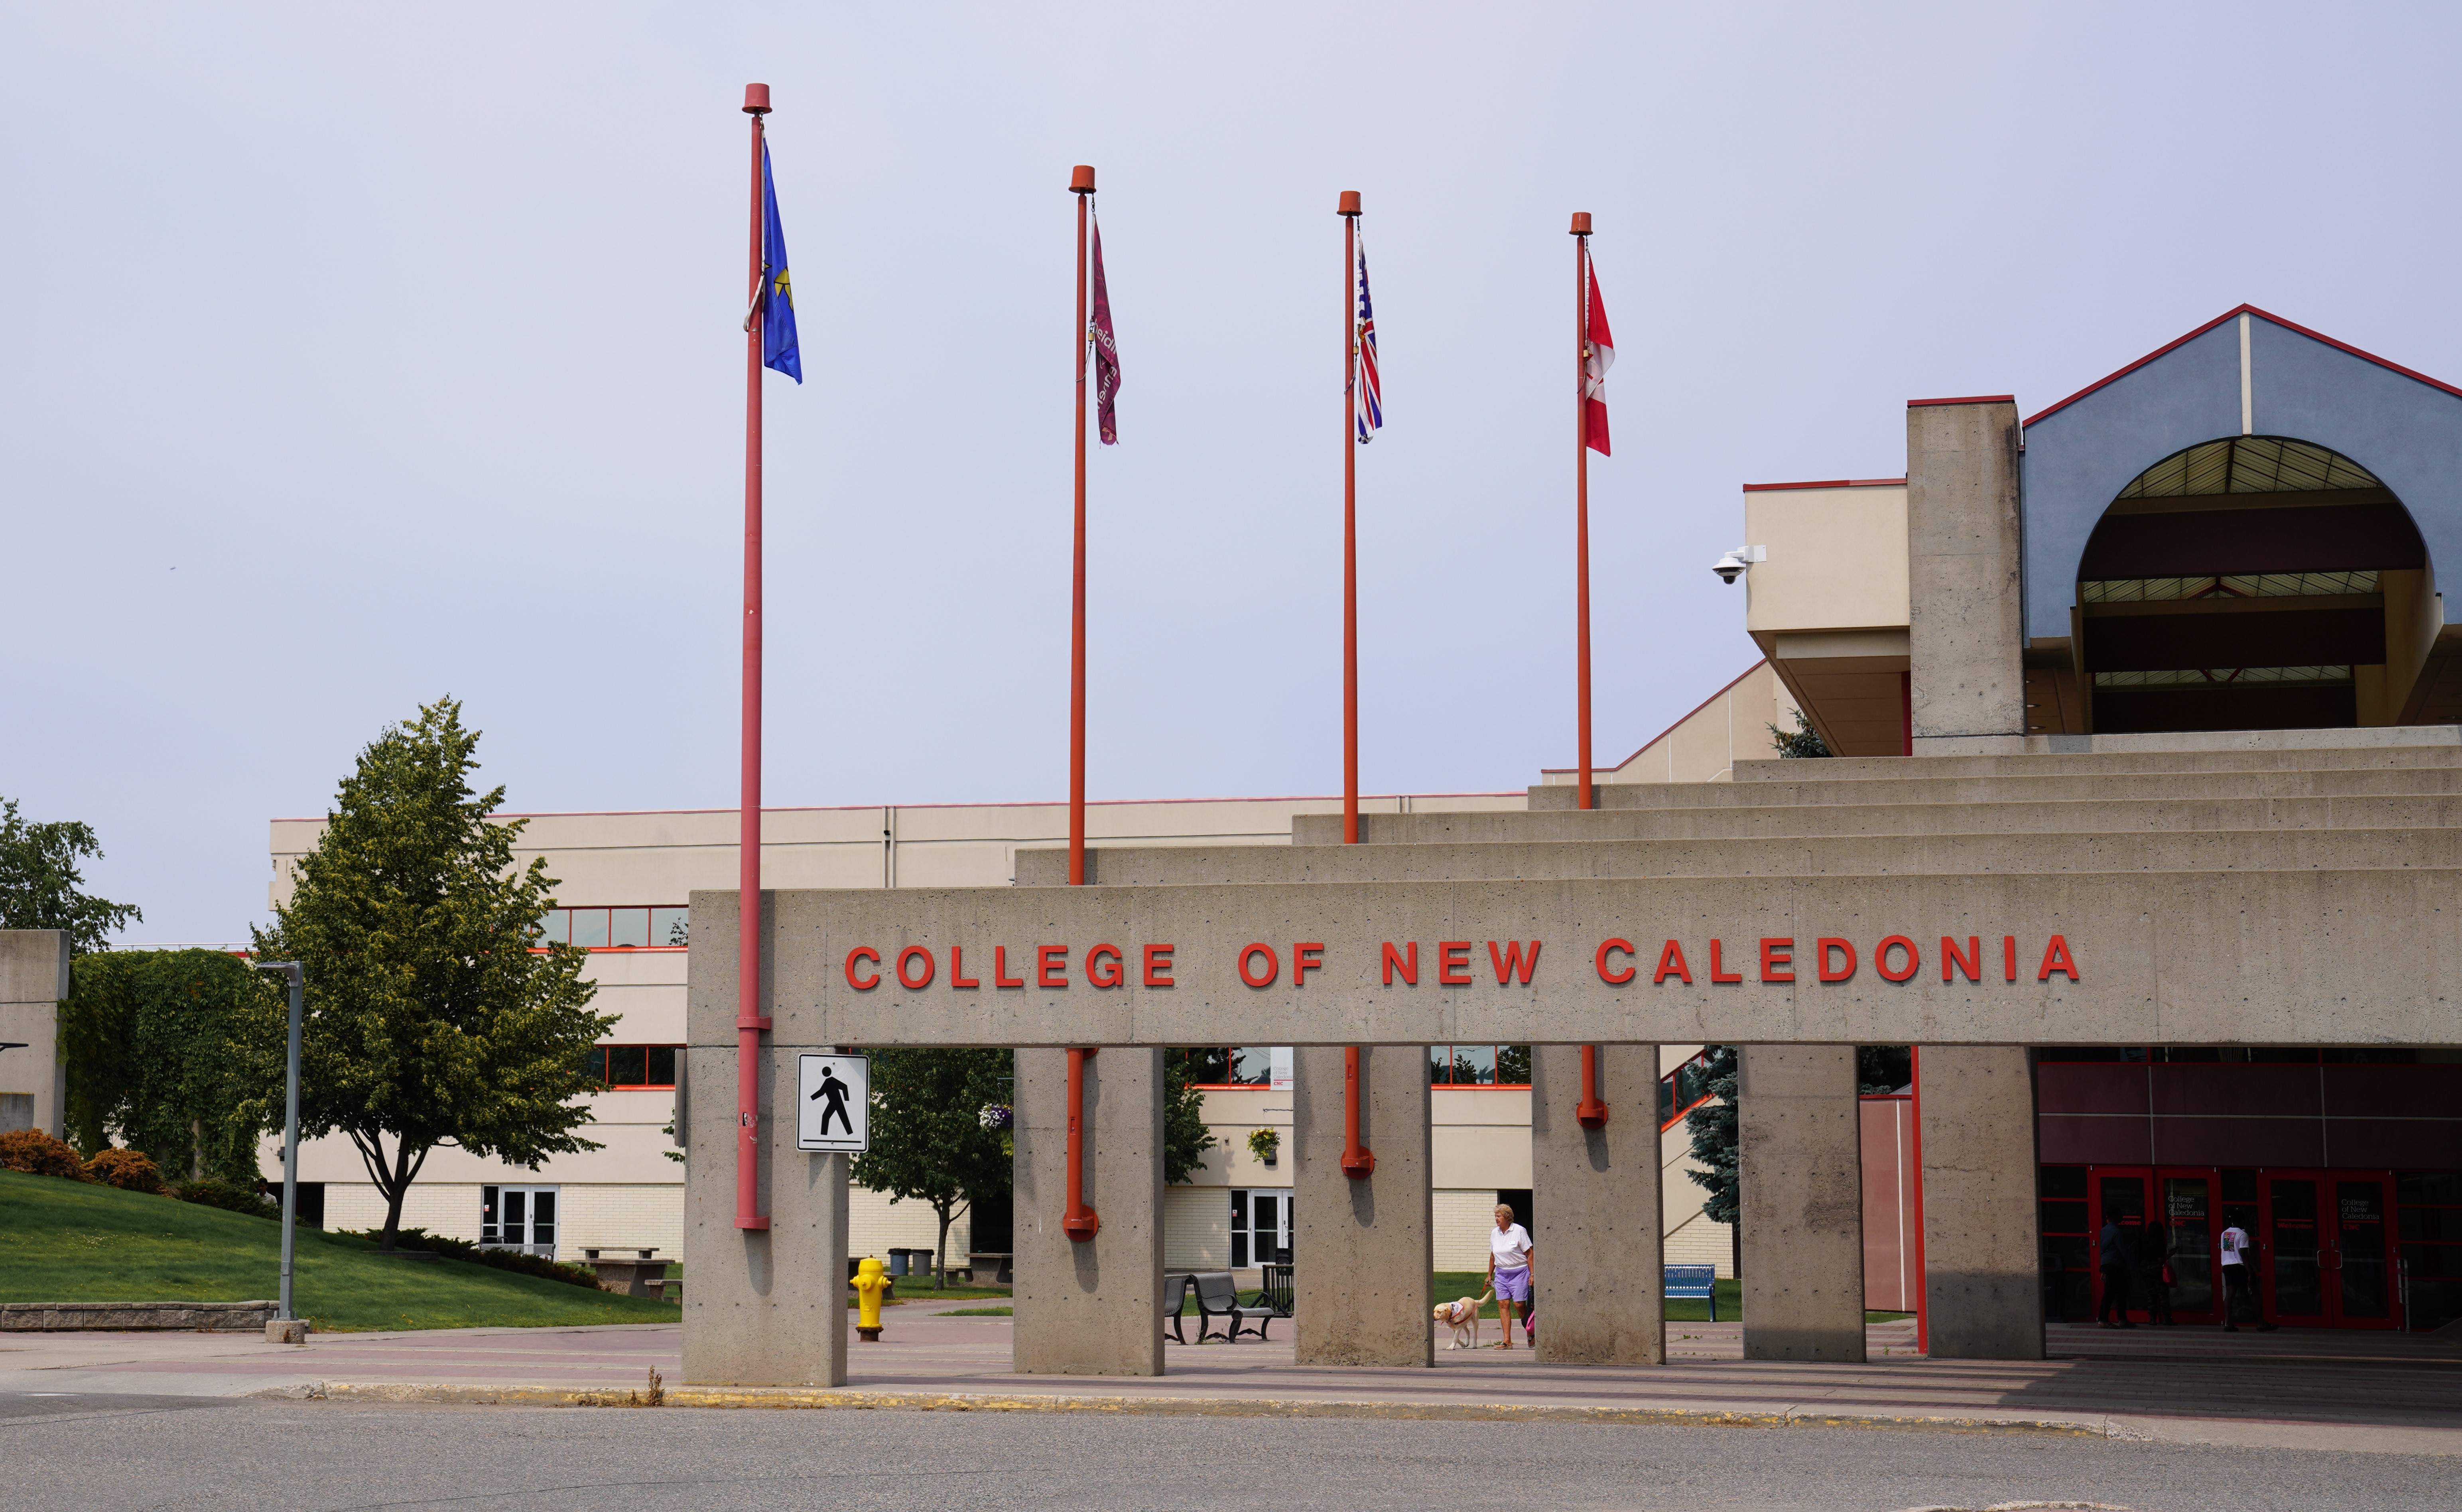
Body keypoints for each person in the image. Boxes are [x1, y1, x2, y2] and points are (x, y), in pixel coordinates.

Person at [1486, 1205, 1533, 1349]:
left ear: (1507, 1217)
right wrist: (1489, 1274)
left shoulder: (1519, 1231)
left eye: (1499, 1216)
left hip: (1519, 1272)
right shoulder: (1495, 1233)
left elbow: (1530, 1253)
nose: (1496, 1219)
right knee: (1503, 1304)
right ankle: (1507, 1341)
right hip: (1501, 1273)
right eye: (1496, 1216)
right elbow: (1494, 1255)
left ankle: (1531, 1330)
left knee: (1519, 1305)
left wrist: (1532, 1274)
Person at [2218, 1219, 2275, 1332]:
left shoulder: (2225, 1234)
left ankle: (2228, 1323)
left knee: (2230, 1295)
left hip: (2227, 1266)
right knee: (2254, 1292)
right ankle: (2261, 1324)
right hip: (2240, 1266)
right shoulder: (2242, 1234)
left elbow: (2228, 1250)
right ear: (2243, 1222)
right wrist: (2250, 1273)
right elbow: (2244, 1254)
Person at [2096, 1216, 2135, 1329]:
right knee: (2119, 1292)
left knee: (2113, 1292)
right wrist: (2133, 1265)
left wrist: (2103, 1269)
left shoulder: (2104, 1231)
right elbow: (2123, 1250)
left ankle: (2116, 1319)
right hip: (2116, 1264)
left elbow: (2102, 1250)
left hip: (2107, 1264)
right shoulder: (2117, 1232)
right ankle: (2108, 1320)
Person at [2141, 1217, 2175, 1326]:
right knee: (2163, 1294)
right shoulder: (2159, 1239)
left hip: (2145, 1268)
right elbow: (2161, 1258)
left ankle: (2152, 1319)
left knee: (2151, 1294)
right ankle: (2167, 1318)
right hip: (2157, 1269)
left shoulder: (2144, 1238)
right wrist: (2169, 1255)